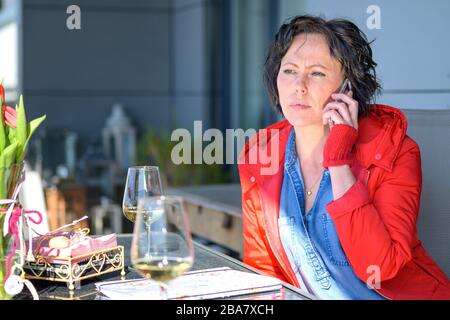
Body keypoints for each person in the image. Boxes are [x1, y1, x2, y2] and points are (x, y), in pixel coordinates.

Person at [238, 15, 450, 300]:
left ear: (346, 89)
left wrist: (338, 161)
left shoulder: (396, 151)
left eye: (317, 73)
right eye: (289, 70)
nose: (299, 85)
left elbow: (379, 265)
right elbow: (264, 271)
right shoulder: (260, 156)